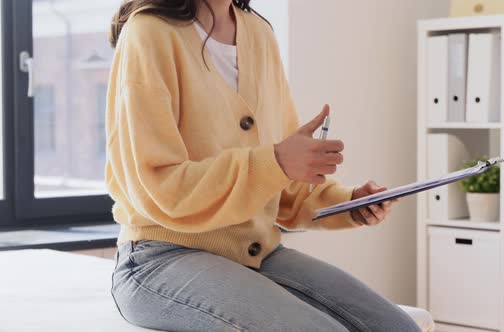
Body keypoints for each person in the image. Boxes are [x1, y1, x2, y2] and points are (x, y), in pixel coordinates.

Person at [106, 0, 421, 331]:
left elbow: (281, 186)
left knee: (398, 327)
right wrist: (277, 161)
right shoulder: (148, 33)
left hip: (257, 254)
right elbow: (159, 187)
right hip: (160, 258)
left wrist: (348, 203)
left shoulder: (258, 33)